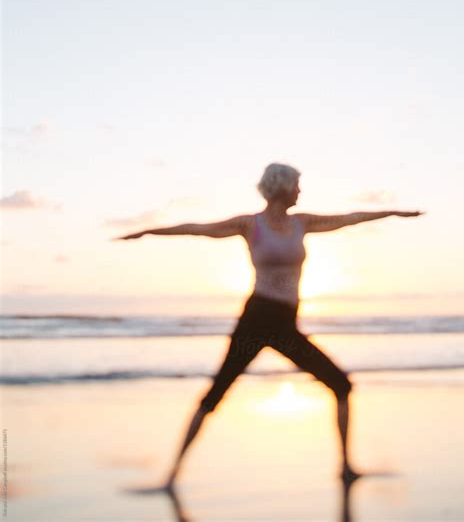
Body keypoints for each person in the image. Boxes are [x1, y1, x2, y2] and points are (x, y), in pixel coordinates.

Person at [117, 163, 423, 486]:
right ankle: (172, 475)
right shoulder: (249, 225)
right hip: (256, 321)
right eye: (297, 185)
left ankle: (346, 468)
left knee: (341, 385)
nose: (300, 192)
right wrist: (147, 231)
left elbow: (350, 218)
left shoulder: (302, 224)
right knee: (215, 395)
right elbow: (197, 228)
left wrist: (393, 213)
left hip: (285, 327)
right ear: (282, 187)